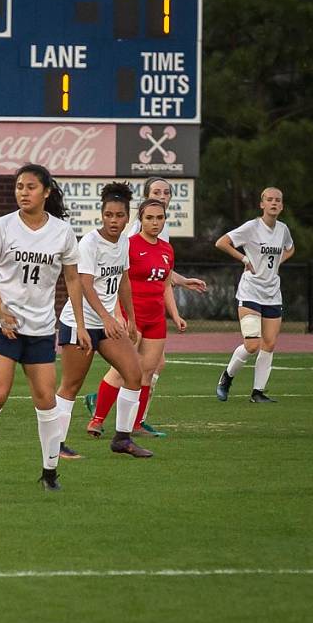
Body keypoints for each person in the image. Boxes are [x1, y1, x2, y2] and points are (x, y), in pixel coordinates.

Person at [0, 164, 89, 493]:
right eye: (19, 187)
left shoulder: (62, 232)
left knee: (46, 400)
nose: (23, 193)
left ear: (46, 192)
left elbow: (73, 279)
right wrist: (1, 309)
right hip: (2, 324)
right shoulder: (2, 227)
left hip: (41, 328)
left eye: (30, 187)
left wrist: (80, 324)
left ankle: (49, 474)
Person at [83, 177, 207, 435]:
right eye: (149, 218)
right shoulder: (128, 244)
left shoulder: (166, 249)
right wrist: (119, 314)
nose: (155, 222)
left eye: (159, 218)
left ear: (164, 219)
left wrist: (175, 315)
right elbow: (118, 280)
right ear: (140, 219)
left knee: (148, 372)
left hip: (155, 319)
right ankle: (97, 418)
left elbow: (164, 284)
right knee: (124, 370)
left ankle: (136, 424)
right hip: (133, 315)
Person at [55, 183, 153, 459]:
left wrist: (130, 318)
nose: (113, 220)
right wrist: (107, 317)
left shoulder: (123, 241)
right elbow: (85, 284)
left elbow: (122, 280)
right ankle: (56, 445)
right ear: (101, 215)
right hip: (80, 324)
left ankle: (122, 439)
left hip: (108, 324)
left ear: (127, 217)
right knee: (71, 385)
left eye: (119, 215)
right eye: (108, 215)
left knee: (134, 373)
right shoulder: (89, 243)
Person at [215, 187, 294, 403]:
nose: (274, 203)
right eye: (269, 200)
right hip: (250, 291)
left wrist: (278, 263)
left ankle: (257, 392)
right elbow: (221, 242)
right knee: (252, 344)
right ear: (262, 204)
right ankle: (227, 377)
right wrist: (244, 260)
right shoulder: (251, 227)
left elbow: (290, 248)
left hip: (272, 293)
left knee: (269, 344)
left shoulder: (283, 229)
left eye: (278, 200)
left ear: (282, 205)